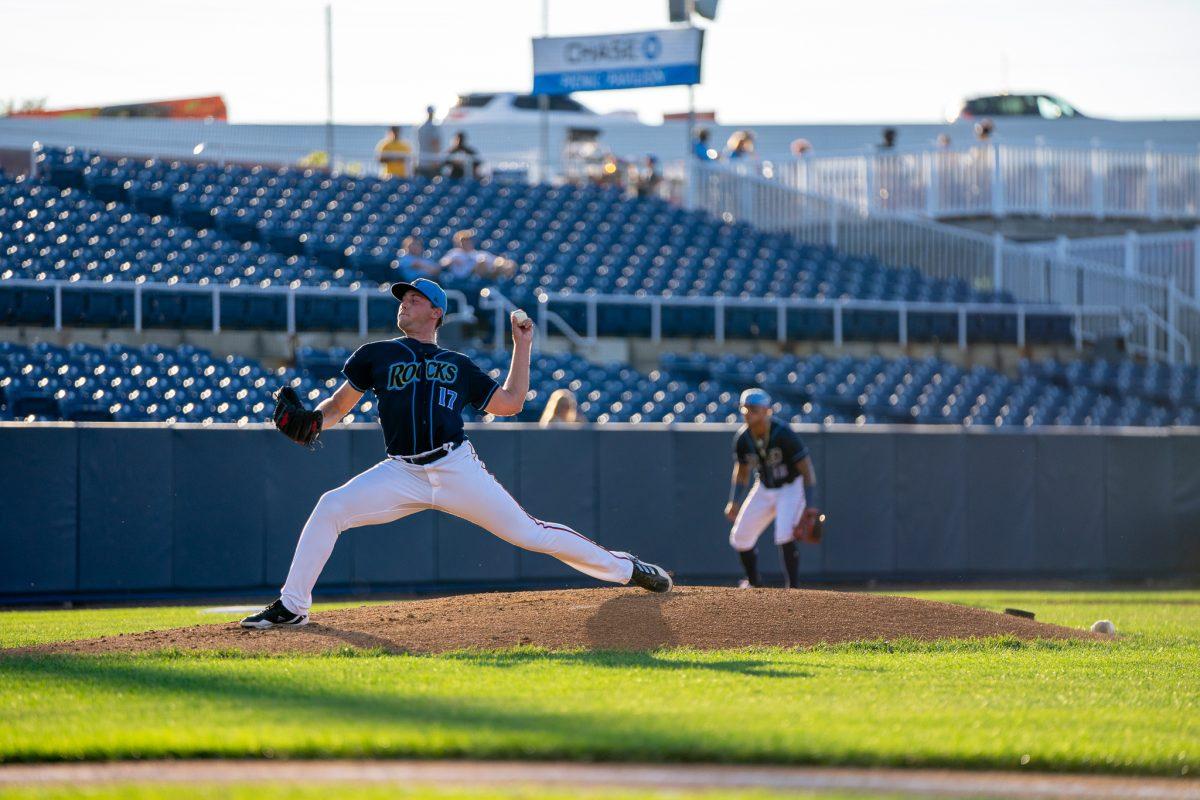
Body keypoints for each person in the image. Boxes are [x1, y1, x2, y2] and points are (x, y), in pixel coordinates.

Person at [242, 278, 672, 628]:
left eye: (414, 299)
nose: (405, 304)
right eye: (403, 300)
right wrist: (313, 421)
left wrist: (522, 347)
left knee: (531, 534)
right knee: (330, 507)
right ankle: (293, 606)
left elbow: (510, 403)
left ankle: (625, 567)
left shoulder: (458, 364)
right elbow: (337, 407)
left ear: (436, 313)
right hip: (401, 472)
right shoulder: (376, 355)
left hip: (455, 466)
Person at [723, 388, 818, 590]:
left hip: (790, 487)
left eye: (754, 409)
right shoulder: (742, 438)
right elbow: (741, 472)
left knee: (784, 534)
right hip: (764, 487)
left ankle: (793, 588)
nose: (748, 413)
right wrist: (734, 500)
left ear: (767, 411)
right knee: (740, 536)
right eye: (745, 408)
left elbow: (807, 470)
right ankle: (754, 582)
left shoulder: (783, 434)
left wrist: (809, 505)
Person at [439, 229, 514, 280]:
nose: (467, 243)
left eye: (468, 240)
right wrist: (452, 261)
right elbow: (442, 263)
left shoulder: (479, 253)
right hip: (468, 275)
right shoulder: (455, 253)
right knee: (482, 261)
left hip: (488, 272)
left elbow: (496, 260)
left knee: (508, 263)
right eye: (463, 241)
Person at [416, 106, 442, 179]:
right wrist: (436, 160)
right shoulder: (433, 127)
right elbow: (435, 143)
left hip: (421, 161)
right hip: (431, 162)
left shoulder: (420, 128)